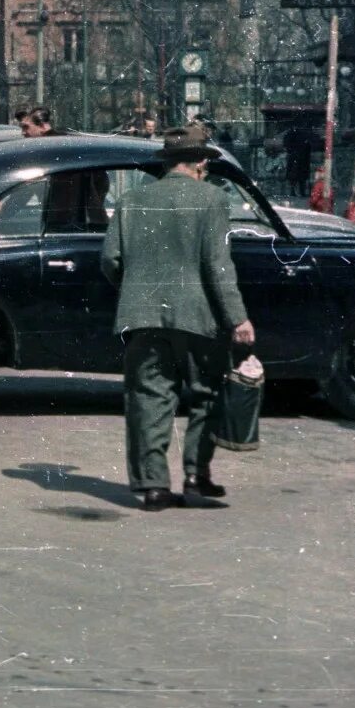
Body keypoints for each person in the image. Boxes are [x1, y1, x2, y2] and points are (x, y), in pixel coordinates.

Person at [101, 125, 255, 512]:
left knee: (148, 399)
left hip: (142, 314)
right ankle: (195, 475)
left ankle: (153, 486)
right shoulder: (212, 200)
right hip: (198, 315)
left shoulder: (132, 200)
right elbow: (218, 266)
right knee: (206, 395)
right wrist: (238, 318)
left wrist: (135, 287)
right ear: (201, 162)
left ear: (168, 162)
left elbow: (110, 261)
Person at [282, 123, 313, 200]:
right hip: (300, 158)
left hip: (297, 158)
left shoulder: (291, 134)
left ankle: (295, 191)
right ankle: (299, 192)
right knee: (299, 176)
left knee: (295, 176)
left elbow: (286, 144)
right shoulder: (303, 134)